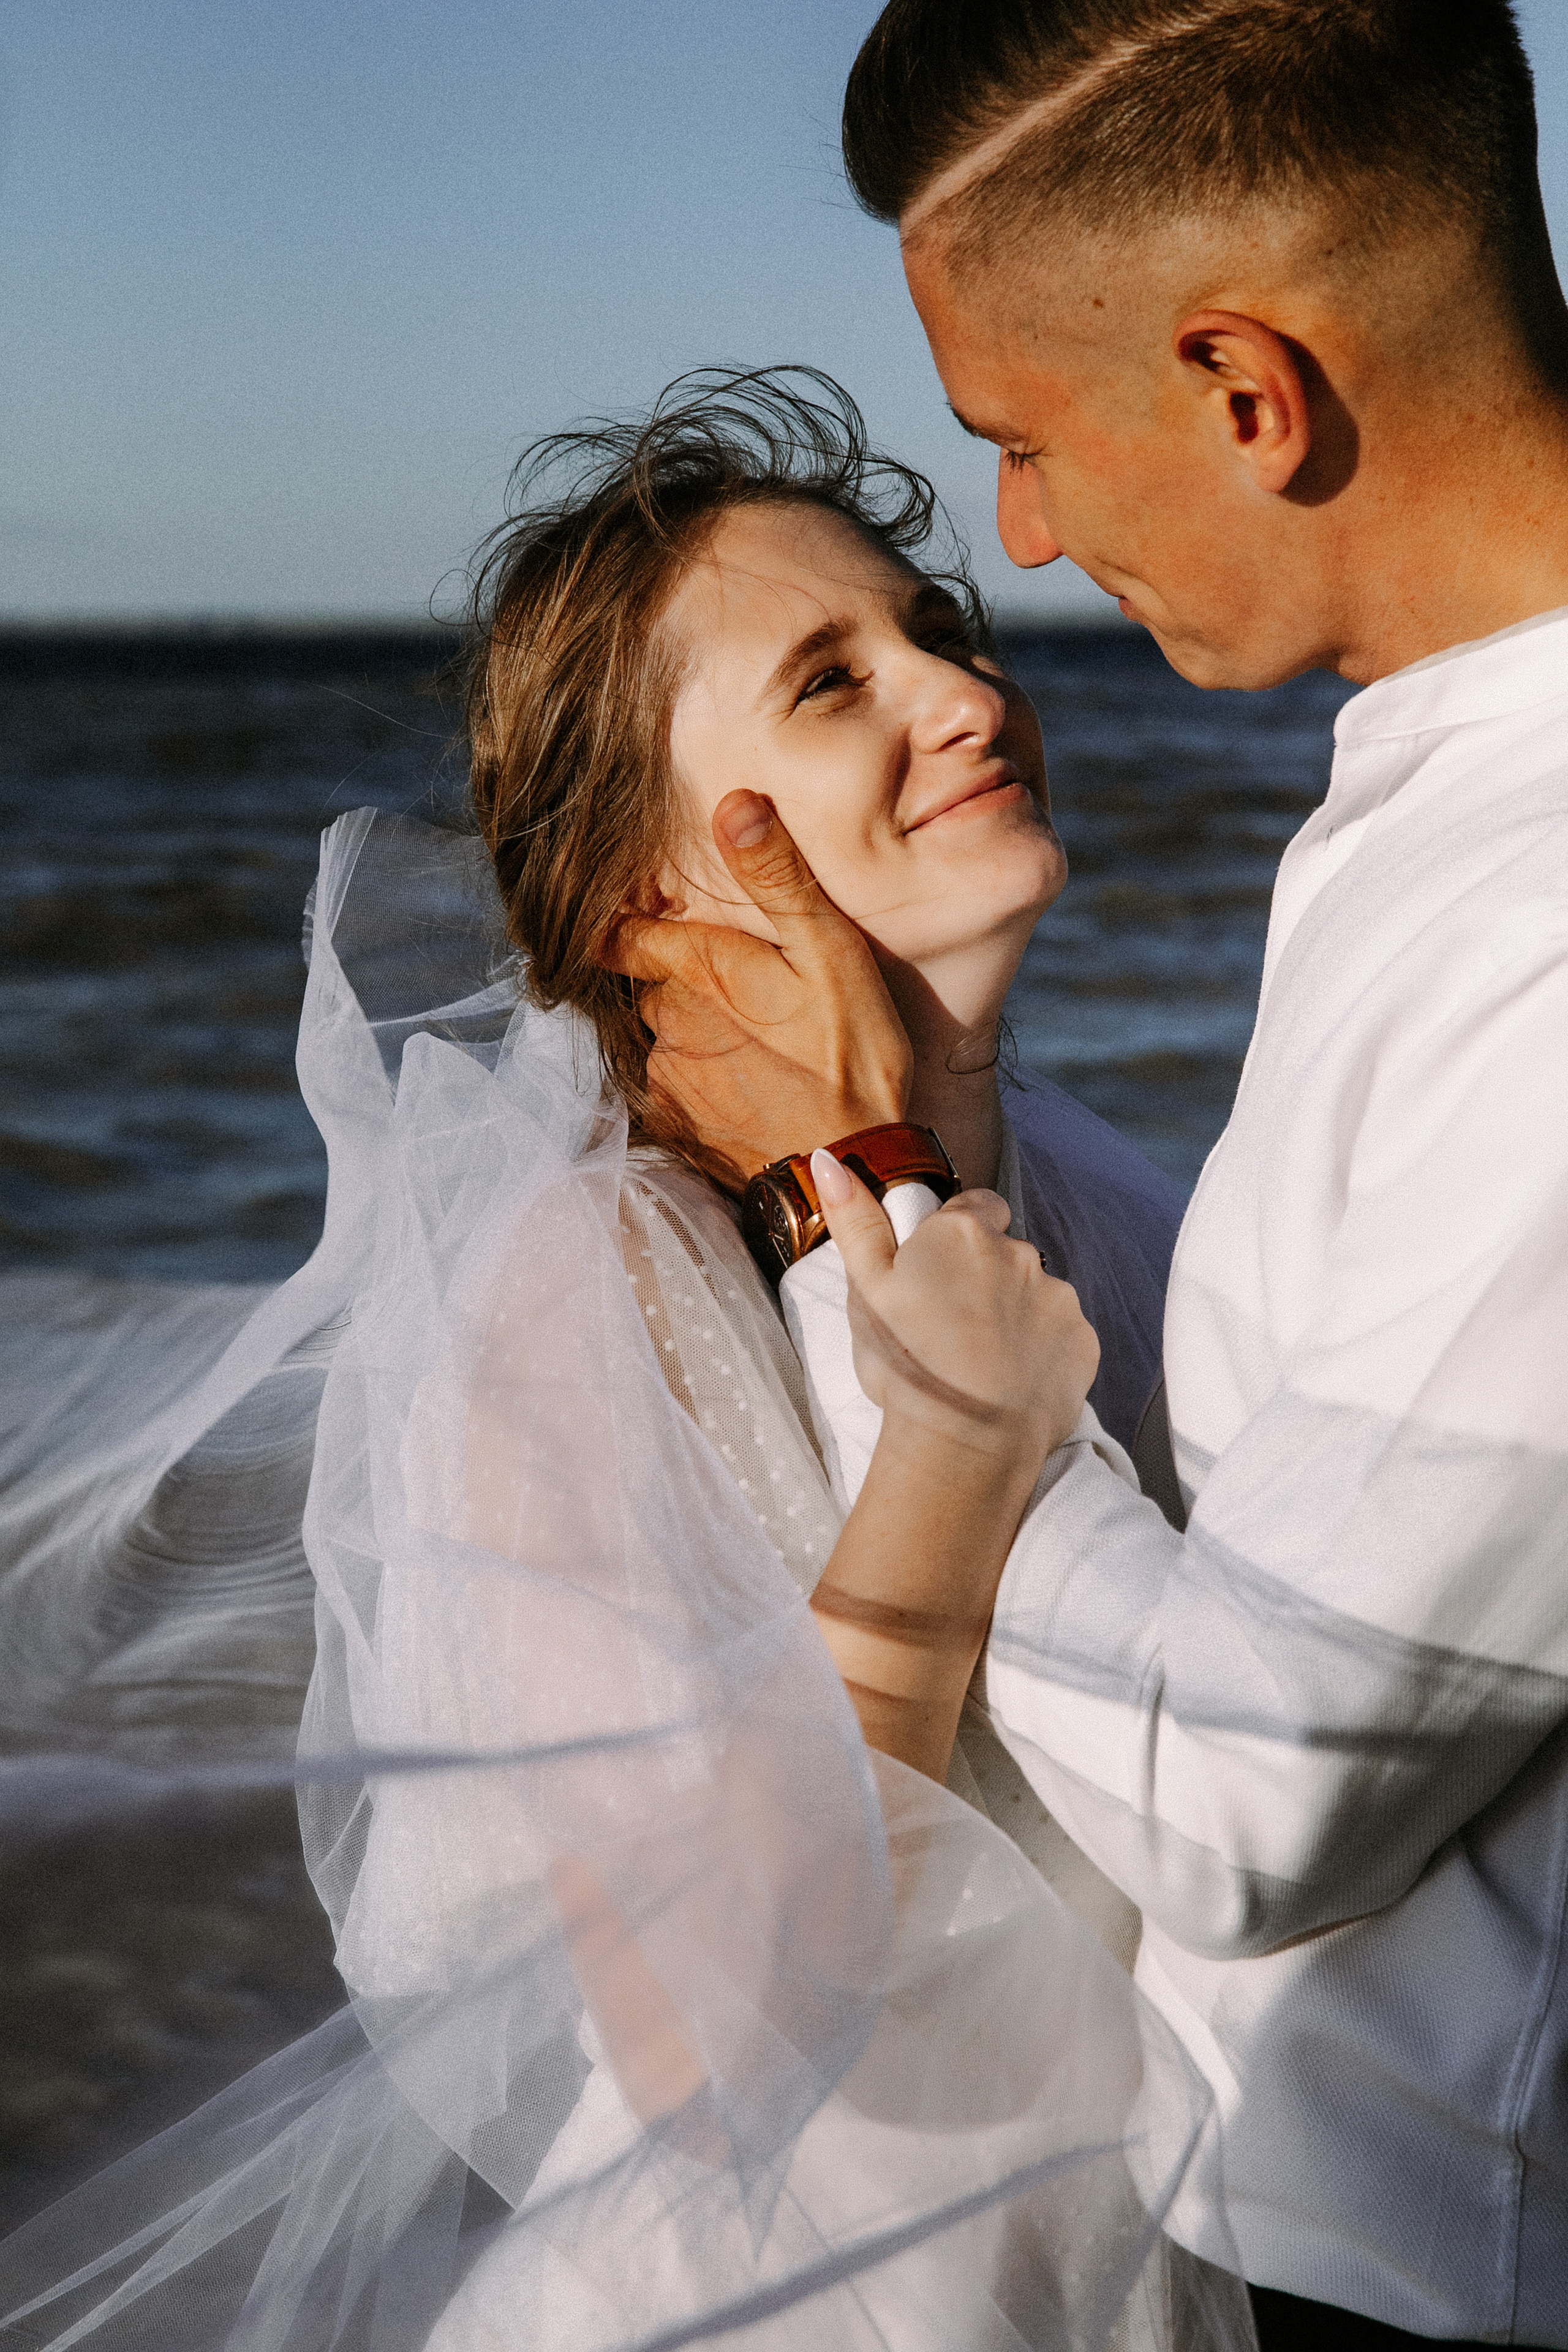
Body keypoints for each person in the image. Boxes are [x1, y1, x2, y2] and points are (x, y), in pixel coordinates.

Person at [0, 371, 1256, 2352]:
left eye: (932, 630)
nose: (963, 694)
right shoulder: (587, 1286)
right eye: (831, 684)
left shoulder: (1106, 1195)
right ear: (649, 898)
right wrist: (948, 1456)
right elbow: (705, 2038)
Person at [616, 6, 1568, 2348]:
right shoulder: (1436, 805)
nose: (1023, 544)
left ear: (1251, 387)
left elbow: (1248, 1787)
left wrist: (861, 1207)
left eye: (1022, 447)